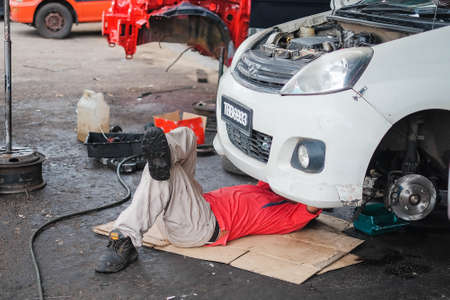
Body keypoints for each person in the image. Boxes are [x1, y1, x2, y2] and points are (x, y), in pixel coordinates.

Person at [95, 126, 321, 273]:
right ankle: (162, 157)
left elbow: (314, 204)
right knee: (187, 136)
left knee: (166, 173)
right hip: (194, 208)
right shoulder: (269, 189)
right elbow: (272, 169)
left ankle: (124, 237)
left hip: (199, 227)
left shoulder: (290, 216)